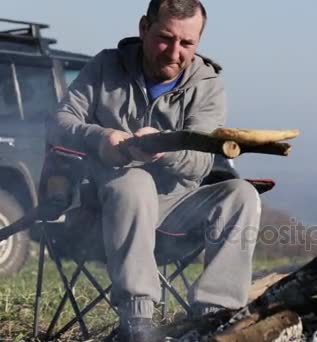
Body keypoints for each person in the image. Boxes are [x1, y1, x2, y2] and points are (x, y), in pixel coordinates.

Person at [46, 0, 261, 340]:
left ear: (198, 42)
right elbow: (59, 123)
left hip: (176, 213)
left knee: (242, 195)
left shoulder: (207, 84)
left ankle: (213, 318)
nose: (174, 52)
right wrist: (101, 139)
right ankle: (138, 320)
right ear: (144, 28)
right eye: (165, 38)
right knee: (133, 181)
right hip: (103, 209)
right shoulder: (105, 66)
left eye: (187, 43)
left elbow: (201, 163)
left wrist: (165, 147)